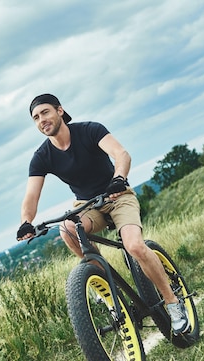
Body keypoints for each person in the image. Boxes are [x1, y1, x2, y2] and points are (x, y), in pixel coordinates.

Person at [16, 93, 189, 335]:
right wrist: (26, 222)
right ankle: (107, 289)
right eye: (35, 117)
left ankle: (173, 302)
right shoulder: (42, 156)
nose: (41, 120)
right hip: (87, 205)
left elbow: (121, 154)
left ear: (60, 111)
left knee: (135, 246)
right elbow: (31, 197)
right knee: (67, 228)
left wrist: (119, 178)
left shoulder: (89, 130)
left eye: (45, 112)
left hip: (117, 196)